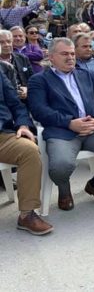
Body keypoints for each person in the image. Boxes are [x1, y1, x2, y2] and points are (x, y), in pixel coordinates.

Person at [28, 38, 94, 211]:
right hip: (63, 132)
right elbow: (39, 110)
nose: (70, 57)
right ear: (51, 57)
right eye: (64, 54)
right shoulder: (39, 80)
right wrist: (69, 123)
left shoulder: (87, 75)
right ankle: (64, 190)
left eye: (72, 54)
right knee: (60, 167)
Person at [0, 71, 53, 235]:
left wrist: (23, 125)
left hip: (3, 136)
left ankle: (26, 215)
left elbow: (17, 105)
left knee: (29, 150)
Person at [0, 29, 33, 100]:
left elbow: (32, 79)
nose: (7, 45)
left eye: (9, 41)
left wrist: (27, 89)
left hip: (25, 99)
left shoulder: (22, 58)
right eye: (1, 42)